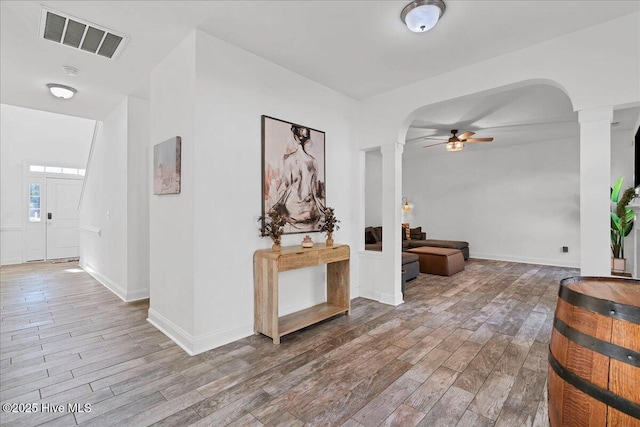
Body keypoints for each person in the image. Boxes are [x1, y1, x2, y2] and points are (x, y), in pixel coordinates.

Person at [273, 125, 323, 229]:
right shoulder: (313, 161)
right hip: (310, 209)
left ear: (295, 137)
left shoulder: (287, 159)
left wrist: (277, 204)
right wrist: (321, 209)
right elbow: (314, 191)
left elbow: (285, 184)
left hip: (292, 208)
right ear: (307, 138)